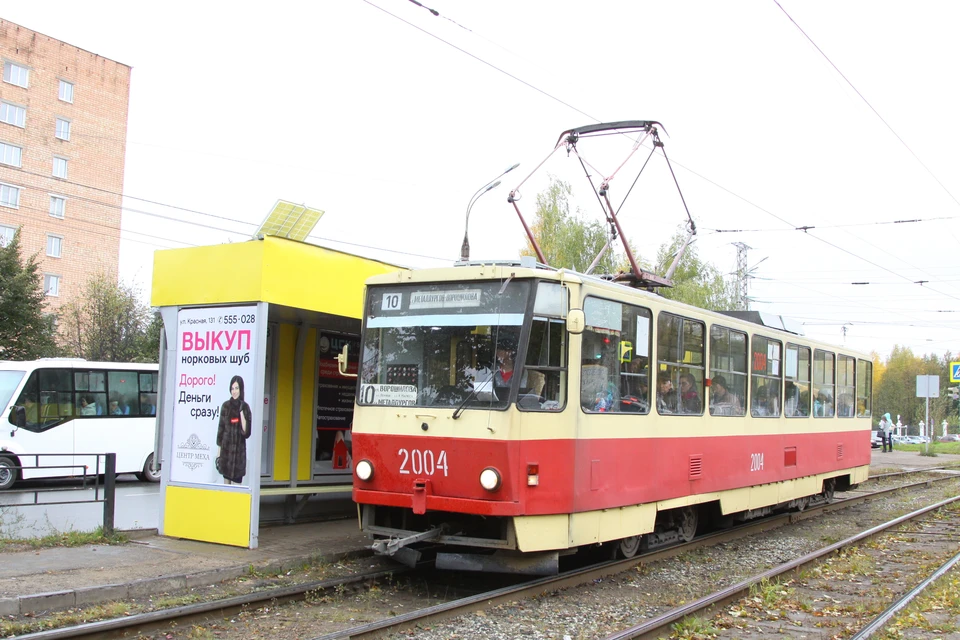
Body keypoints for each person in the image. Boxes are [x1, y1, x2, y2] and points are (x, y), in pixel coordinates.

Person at [217, 375, 253, 484]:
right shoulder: (225, 406)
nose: (234, 391)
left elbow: (246, 432)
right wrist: (219, 456)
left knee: (237, 491)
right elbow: (220, 432)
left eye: (236, 388)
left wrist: (241, 410)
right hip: (226, 456)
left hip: (238, 457)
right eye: (232, 388)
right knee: (226, 489)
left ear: (241, 389)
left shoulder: (245, 407)